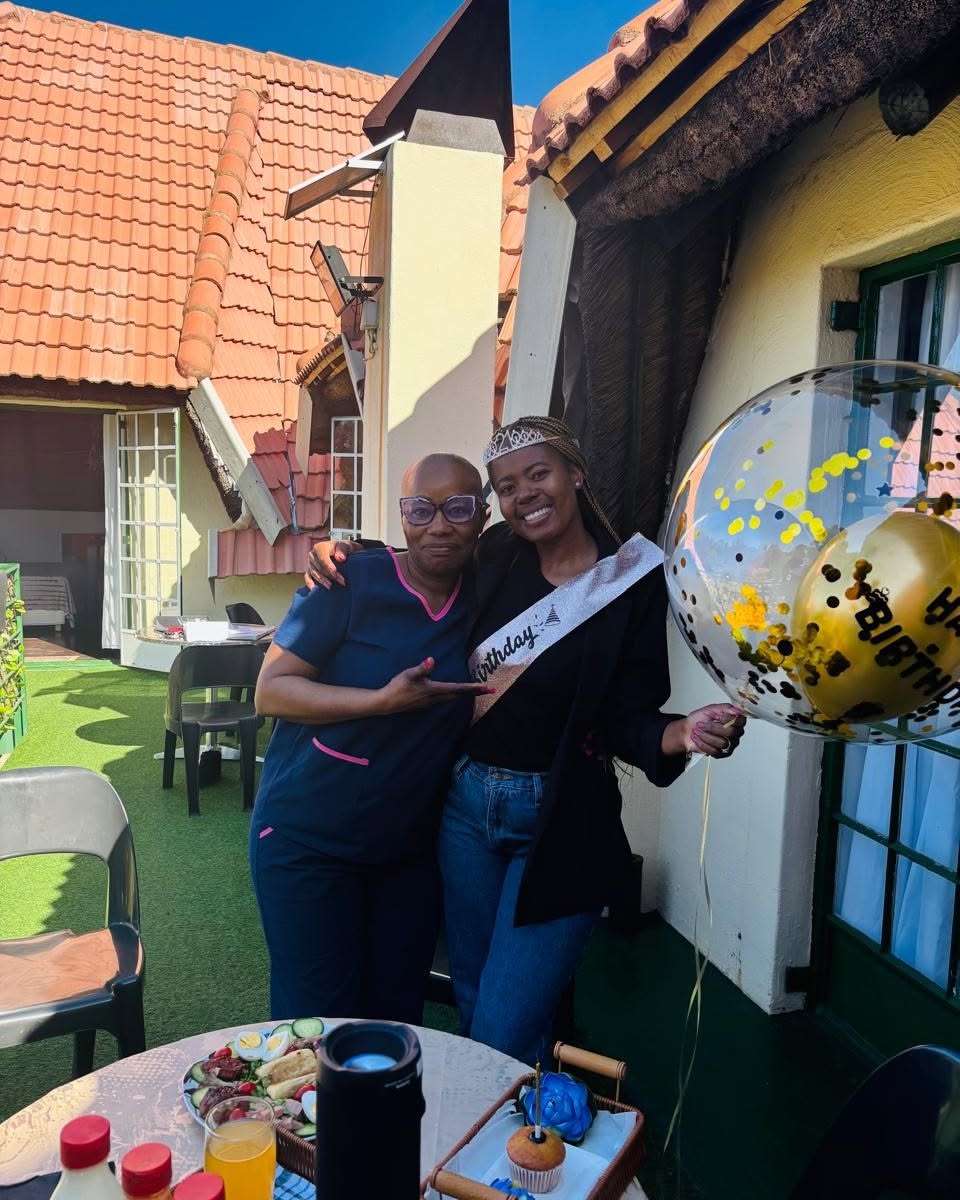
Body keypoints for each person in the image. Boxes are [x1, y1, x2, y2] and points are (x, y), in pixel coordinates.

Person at [308, 417, 745, 1061]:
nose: (525, 496)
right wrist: (344, 550)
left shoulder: (631, 579)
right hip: (465, 809)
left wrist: (679, 733)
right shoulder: (495, 556)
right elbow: (423, 558)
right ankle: (517, 1125)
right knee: (474, 995)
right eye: (507, 487)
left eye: (538, 474)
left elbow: (628, 710)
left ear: (576, 474)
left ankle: (506, 1111)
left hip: (563, 817)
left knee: (504, 1026)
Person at [250, 453, 491, 1023]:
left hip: (407, 853)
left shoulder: (488, 590)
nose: (439, 525)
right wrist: (380, 702)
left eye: (458, 509)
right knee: (316, 1025)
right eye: (420, 510)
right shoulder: (349, 580)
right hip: (308, 839)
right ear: (402, 515)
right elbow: (271, 691)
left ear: (483, 516)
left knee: (394, 1024)